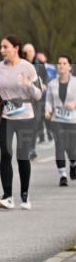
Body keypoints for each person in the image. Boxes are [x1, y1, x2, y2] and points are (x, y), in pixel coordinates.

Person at [0, 36, 42, 209]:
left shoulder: (28, 67)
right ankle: (7, 196)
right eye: (1, 47)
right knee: (5, 155)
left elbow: (38, 95)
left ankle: (25, 196)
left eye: (5, 47)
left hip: (25, 117)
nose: (1, 50)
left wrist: (29, 84)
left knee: (23, 156)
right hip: (7, 116)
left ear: (16, 48)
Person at [45, 55, 76, 187]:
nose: (61, 65)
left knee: (71, 148)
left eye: (64, 63)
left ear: (70, 67)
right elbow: (48, 101)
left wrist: (74, 104)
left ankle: (73, 163)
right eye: (59, 63)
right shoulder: (52, 84)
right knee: (60, 145)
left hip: (72, 119)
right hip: (57, 119)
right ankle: (62, 175)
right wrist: (48, 111)